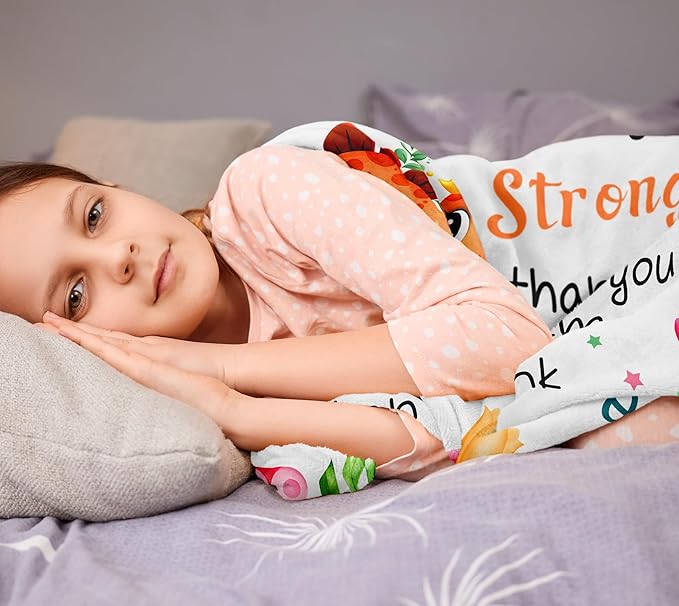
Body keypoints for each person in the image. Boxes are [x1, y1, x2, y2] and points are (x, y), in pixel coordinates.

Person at [0, 146, 673, 480]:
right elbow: (433, 444)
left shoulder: (265, 193)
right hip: (589, 331)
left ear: (116, 187)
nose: (118, 257)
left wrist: (223, 367)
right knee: (625, 438)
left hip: (634, 225)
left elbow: (506, 340)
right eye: (76, 295)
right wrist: (232, 407)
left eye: (94, 215)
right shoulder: (192, 405)